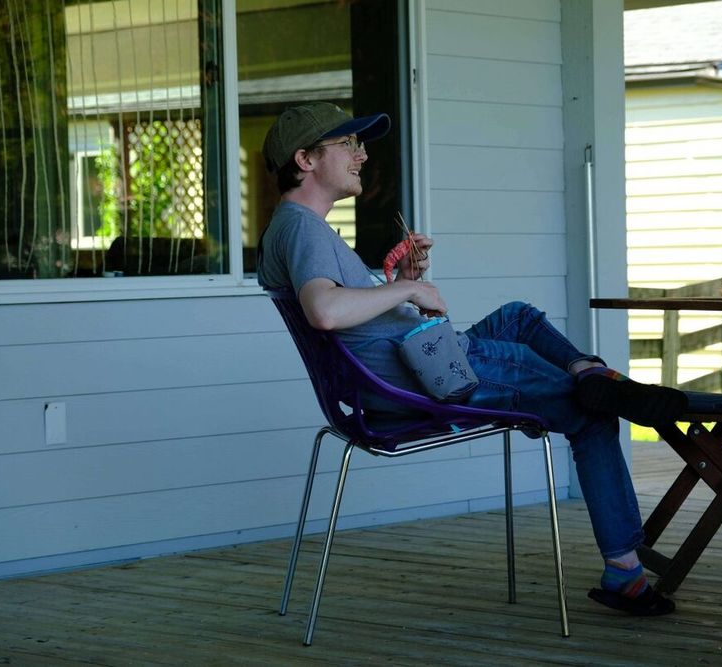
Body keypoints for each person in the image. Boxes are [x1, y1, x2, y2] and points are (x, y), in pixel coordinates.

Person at [258, 102, 689, 616]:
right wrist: (410, 290)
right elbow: (325, 312)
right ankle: (625, 569)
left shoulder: (294, 227)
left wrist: (401, 280)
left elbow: (354, 323)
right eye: (348, 143)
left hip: (419, 366)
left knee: (519, 318)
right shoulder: (303, 228)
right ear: (305, 159)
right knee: (592, 413)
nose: (362, 154)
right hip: (431, 379)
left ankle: (589, 371)